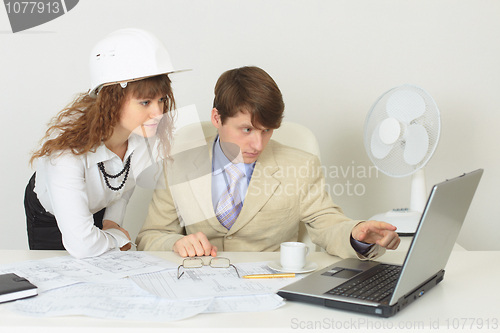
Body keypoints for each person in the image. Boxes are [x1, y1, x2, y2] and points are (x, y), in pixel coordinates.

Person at [136, 66, 400, 259]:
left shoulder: (300, 166)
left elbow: (328, 224)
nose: (258, 145)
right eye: (247, 130)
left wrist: (357, 235)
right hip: (199, 285)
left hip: (271, 288)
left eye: (267, 131)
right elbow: (150, 235)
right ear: (217, 118)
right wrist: (174, 243)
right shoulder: (177, 165)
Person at [24, 28, 185, 258]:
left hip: (99, 203)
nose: (158, 113)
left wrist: (111, 222)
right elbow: (82, 245)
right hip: (49, 214)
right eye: (145, 102)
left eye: (161, 100)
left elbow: (124, 182)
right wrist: (117, 237)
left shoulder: (145, 134)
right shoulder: (66, 154)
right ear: (112, 100)